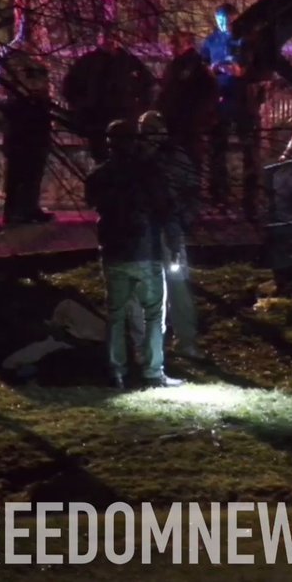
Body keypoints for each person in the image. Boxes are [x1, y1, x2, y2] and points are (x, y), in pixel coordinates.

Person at [84, 119, 184, 389]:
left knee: (116, 316)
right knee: (153, 315)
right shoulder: (149, 173)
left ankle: (117, 371)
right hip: (145, 251)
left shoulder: (99, 175)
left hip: (114, 253)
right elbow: (167, 210)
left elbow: (92, 202)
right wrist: (174, 246)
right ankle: (153, 372)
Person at [129, 111, 204, 360]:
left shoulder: (174, 156)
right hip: (142, 233)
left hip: (169, 230)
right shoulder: (133, 156)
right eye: (145, 128)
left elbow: (191, 189)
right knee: (142, 290)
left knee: (178, 287)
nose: (150, 133)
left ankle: (186, 341)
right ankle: (145, 346)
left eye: (154, 128)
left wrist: (183, 218)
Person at [201, 3, 262, 221]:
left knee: (249, 151)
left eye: (228, 20)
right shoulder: (211, 41)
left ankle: (250, 201)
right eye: (220, 20)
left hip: (243, 101)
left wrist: (229, 69)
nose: (224, 24)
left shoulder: (245, 41)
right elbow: (204, 67)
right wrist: (214, 69)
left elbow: (243, 70)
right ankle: (219, 198)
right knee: (217, 150)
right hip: (219, 102)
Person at [62, 31, 155, 163]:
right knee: (101, 157)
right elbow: (70, 86)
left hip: (124, 121)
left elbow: (147, 86)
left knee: (124, 157)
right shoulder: (89, 62)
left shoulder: (130, 62)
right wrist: (82, 107)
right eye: (107, 38)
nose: (110, 42)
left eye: (113, 38)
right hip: (96, 119)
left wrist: (138, 110)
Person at [0, 37, 55, 225]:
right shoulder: (14, 60)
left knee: (35, 167)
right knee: (18, 169)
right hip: (21, 118)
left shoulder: (39, 60)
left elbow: (45, 87)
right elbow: (17, 87)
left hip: (38, 116)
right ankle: (14, 211)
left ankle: (30, 207)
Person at [155, 31, 217, 171]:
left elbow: (209, 91)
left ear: (186, 44)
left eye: (175, 45)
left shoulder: (197, 65)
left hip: (190, 120)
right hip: (174, 118)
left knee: (192, 155)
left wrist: (199, 115)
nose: (171, 49)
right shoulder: (175, 64)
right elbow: (167, 90)